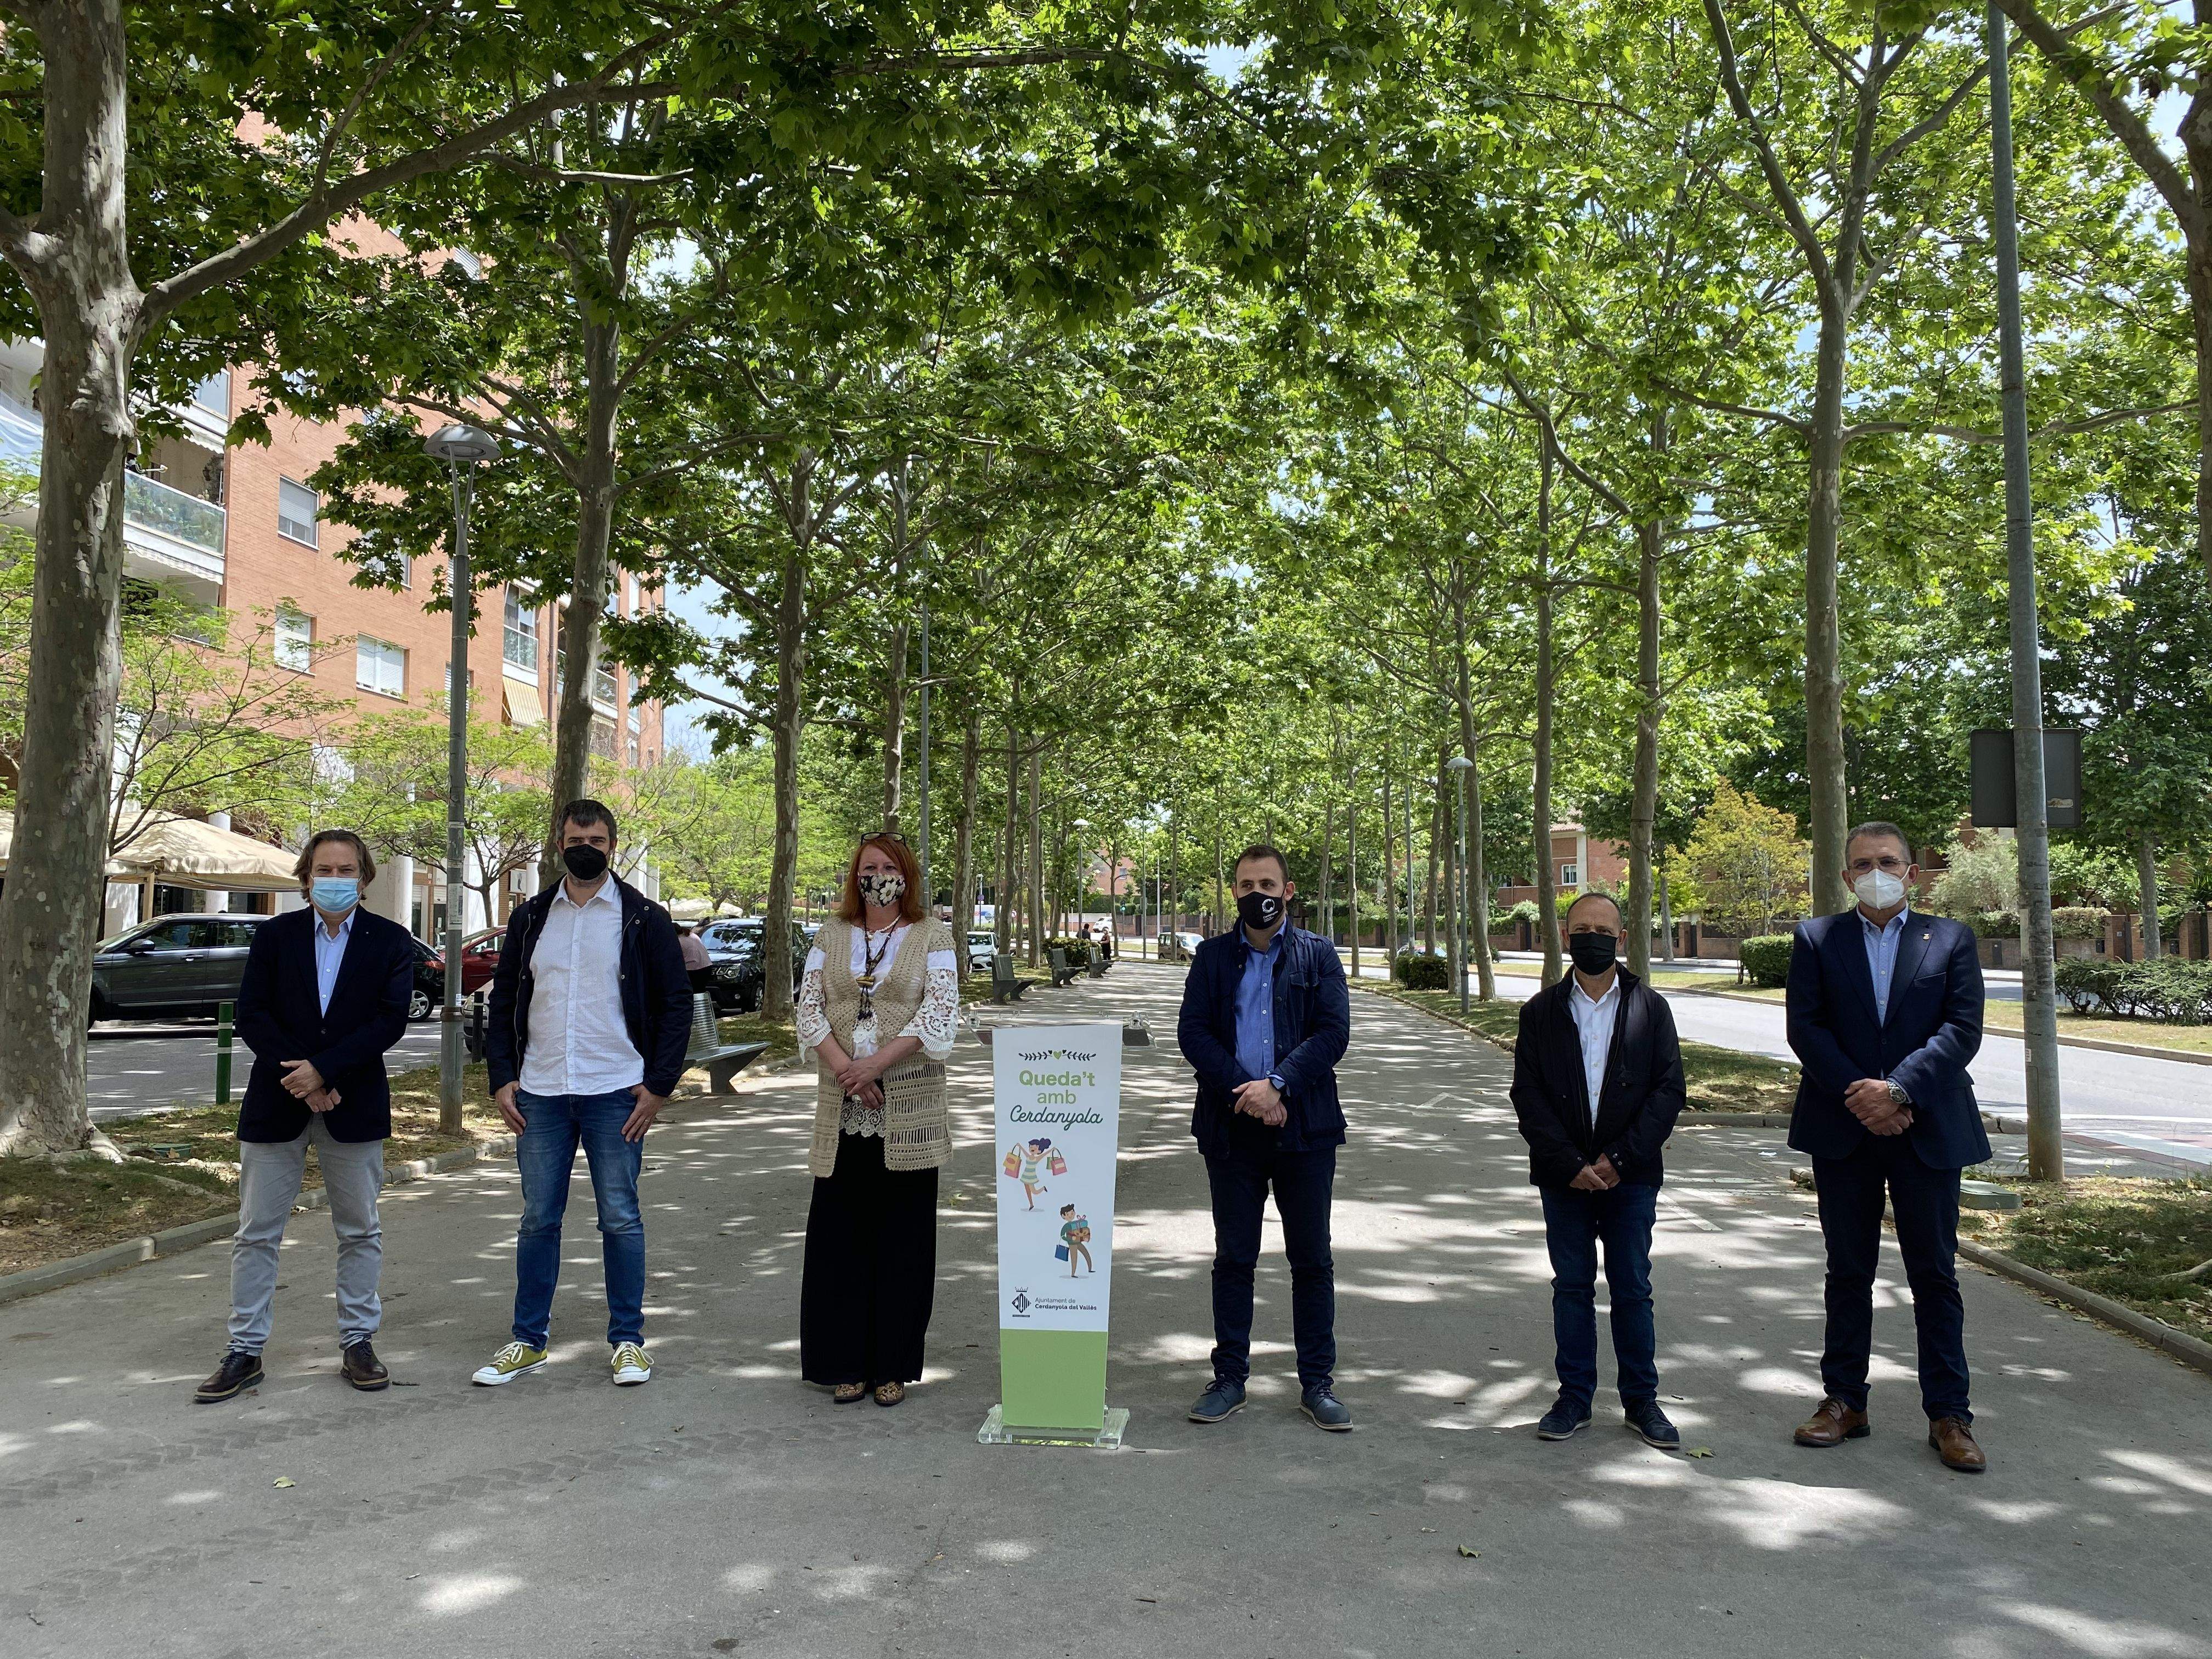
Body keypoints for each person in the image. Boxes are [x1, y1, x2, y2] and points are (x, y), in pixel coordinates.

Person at [1785, 821, 1989, 1473]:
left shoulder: (1952, 939)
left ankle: (1949, 1415)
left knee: (1934, 1274)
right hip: (1843, 1128)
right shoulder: (1816, 939)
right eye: (1863, 863)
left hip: (1927, 1127)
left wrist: (1899, 1091)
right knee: (1848, 1271)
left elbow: (1962, 1029)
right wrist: (1864, 1096)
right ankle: (1845, 1401)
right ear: (1846, 877)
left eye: (1888, 861)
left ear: (1912, 873)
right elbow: (1805, 1027)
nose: (1877, 870)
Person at [472, 799, 691, 1390]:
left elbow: (676, 1007)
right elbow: (505, 1002)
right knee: (538, 1219)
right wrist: (501, 1077)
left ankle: (627, 1341)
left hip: (616, 1090)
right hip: (540, 1091)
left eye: (596, 839)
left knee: (621, 1219)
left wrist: (659, 1087)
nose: (585, 847)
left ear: (612, 846)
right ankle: (528, 1340)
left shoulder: (643, 916)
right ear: (559, 842)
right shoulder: (532, 917)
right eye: (575, 838)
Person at [195, 830, 417, 1403]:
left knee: (360, 1229)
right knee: (256, 1232)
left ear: (364, 879)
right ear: (306, 876)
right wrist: (303, 1079)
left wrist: (325, 1072)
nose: (335, 879)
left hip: (354, 1102)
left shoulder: (391, 942)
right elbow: (253, 1014)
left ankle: (359, 1342)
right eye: (324, 869)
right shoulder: (274, 936)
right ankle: (245, 1350)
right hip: (278, 1099)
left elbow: (389, 1021)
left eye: (347, 869)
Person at [1175, 843, 1353, 1431]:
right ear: (1234, 893)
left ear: (1289, 890)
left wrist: (1278, 1085)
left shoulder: (1319, 955)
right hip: (1232, 1131)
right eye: (1247, 884)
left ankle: (1318, 1385)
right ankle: (1230, 1379)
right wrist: (1246, 1093)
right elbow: (1194, 1034)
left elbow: (1333, 1033)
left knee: (1311, 1260)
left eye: (1268, 883)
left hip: (1306, 1128)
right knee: (1234, 1258)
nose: (1259, 894)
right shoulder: (1211, 958)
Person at [1509, 892, 1686, 1448]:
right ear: (1566, 936)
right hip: (1564, 1180)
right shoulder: (1540, 1013)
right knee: (1572, 1287)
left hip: (1629, 1178)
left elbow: (1668, 1091)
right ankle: (1574, 1398)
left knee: (1632, 1286)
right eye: (1580, 927)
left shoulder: (1651, 1008)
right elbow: (1528, 1095)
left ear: (1621, 938)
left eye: (1602, 928)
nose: (1592, 937)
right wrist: (1570, 1163)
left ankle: (1642, 1401)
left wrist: (1619, 1159)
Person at [794, 831, 959, 1407]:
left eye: (889, 866)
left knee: (903, 1242)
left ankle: (891, 1364)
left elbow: (940, 1012)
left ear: (907, 875)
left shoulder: (933, 935)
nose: (878, 875)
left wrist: (877, 1067)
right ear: (855, 875)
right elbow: (808, 1006)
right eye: (869, 867)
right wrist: (848, 1071)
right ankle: (844, 1362)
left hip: (907, 1108)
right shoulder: (831, 933)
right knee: (840, 1240)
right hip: (842, 1107)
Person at [679, 922, 714, 995]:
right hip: (707, 966)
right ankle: (703, 1005)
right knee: (700, 992)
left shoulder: (678, 940)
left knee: (690, 993)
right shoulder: (692, 935)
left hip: (692, 969)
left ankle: (694, 1006)